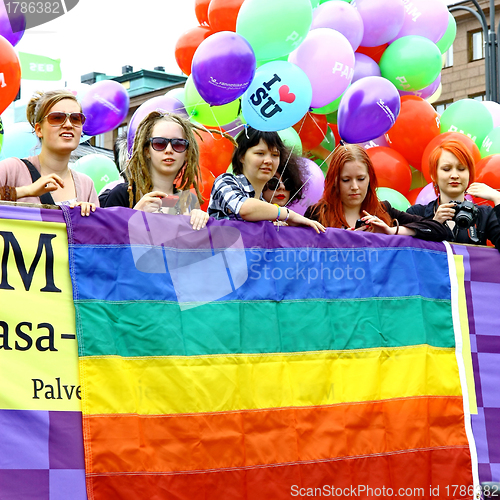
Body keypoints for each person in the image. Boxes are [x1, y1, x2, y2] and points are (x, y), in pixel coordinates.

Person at [304, 143, 449, 241]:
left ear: (370, 179)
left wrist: (391, 231)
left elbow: (441, 230)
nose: (354, 186)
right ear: (334, 181)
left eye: (361, 179)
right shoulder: (317, 213)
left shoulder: (384, 210)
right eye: (346, 180)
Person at [102, 111, 209, 230]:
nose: (169, 150)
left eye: (178, 144)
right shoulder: (123, 194)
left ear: (186, 153)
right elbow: (105, 243)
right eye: (159, 143)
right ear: (147, 151)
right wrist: (135, 216)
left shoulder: (189, 201)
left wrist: (200, 221)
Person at [208, 127, 325, 234]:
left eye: (275, 155)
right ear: (241, 156)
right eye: (260, 153)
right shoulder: (225, 182)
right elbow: (244, 208)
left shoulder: (267, 209)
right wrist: (288, 215)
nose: (268, 161)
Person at [0, 89, 98, 215]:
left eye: (76, 118)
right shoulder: (12, 169)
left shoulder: (86, 185)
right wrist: (26, 191)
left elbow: (97, 233)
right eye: (57, 118)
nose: (68, 124)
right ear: (39, 129)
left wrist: (89, 217)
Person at [407, 139, 500, 249]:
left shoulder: (484, 215)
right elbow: (407, 252)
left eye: (461, 169)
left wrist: (498, 199)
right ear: (433, 175)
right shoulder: (417, 213)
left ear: (469, 174)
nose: (455, 175)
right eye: (447, 169)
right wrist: (433, 225)